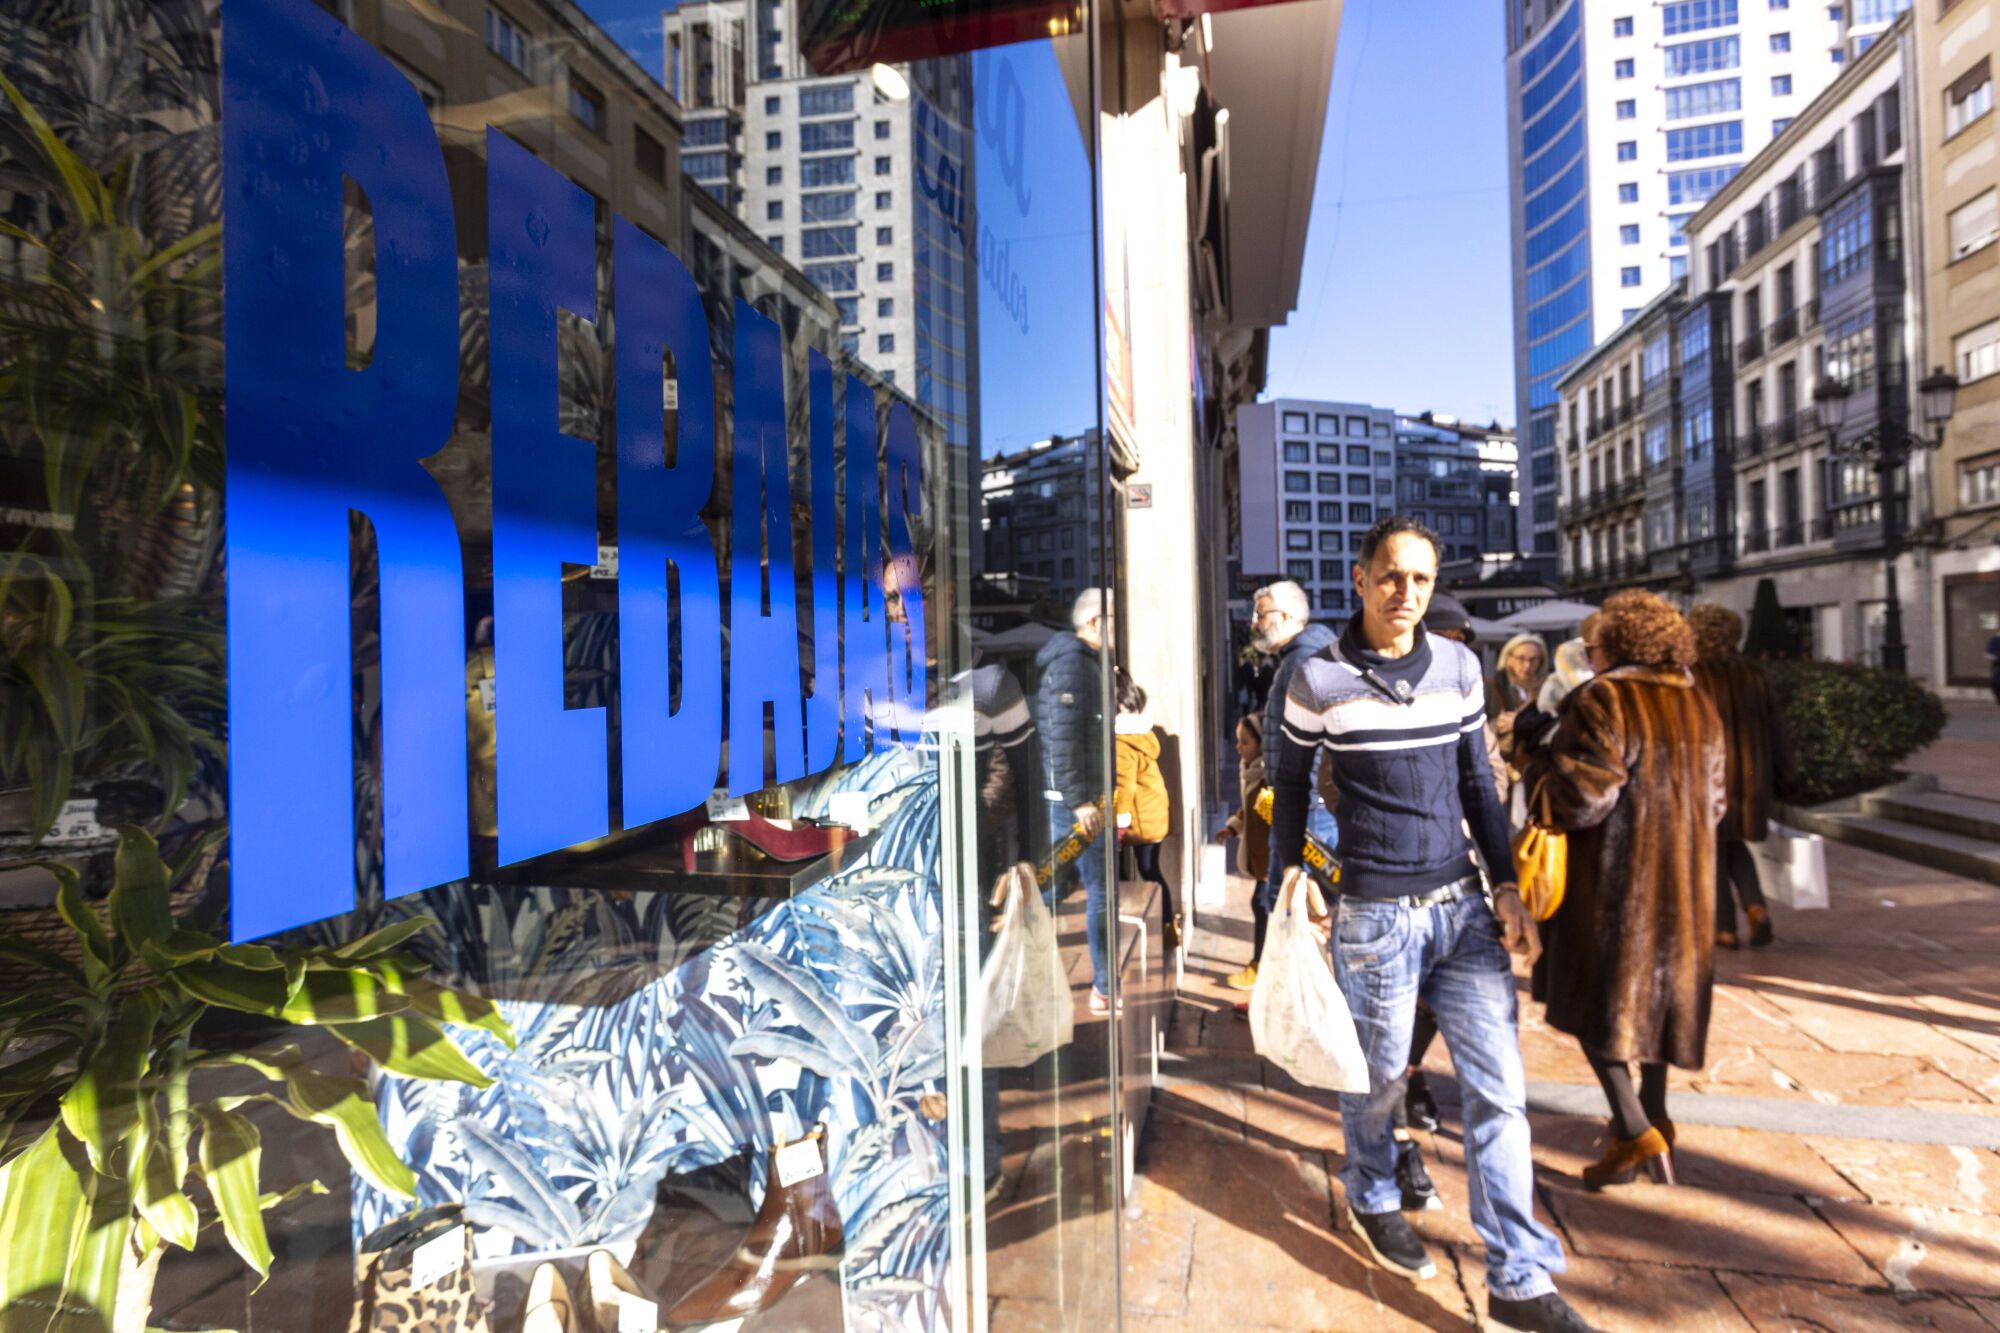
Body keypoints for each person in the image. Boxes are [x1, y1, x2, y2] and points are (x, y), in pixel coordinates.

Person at [1272, 516, 1591, 1333]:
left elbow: (1479, 787)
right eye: (1390, 576)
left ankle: (1518, 1278)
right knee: (1377, 1080)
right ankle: (1374, 1191)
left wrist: (1510, 889)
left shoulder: (1456, 664)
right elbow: (1293, 783)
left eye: (1419, 578)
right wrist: (1293, 878)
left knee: (1499, 1090)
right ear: (1360, 578)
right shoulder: (1321, 677)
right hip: (1373, 915)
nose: (1405, 592)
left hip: (1463, 909)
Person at [1512, 591, 1726, 1194]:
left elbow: (1583, 797)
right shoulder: (1698, 701)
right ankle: (1654, 1116)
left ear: (1618, 645)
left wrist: (1533, 763)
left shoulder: (1606, 697)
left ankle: (1633, 1129)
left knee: (1593, 1006)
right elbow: (1716, 802)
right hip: (1682, 890)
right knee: (1656, 1008)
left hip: (1612, 889)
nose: (1591, 653)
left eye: (1595, 644)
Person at [1237, 579, 1338, 992]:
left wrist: (1304, 797)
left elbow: (1320, 741)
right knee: (1289, 902)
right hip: (1300, 801)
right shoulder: (1298, 657)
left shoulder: (1305, 660)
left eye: (1261, 614)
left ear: (1288, 617)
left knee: (1294, 904)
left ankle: (1298, 1004)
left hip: (1306, 806)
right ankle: (1291, 1000)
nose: (1254, 623)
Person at [1688, 603, 1795, 950]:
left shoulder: (1689, 676)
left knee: (1711, 849)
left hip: (1706, 777)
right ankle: (1756, 907)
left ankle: (1724, 928)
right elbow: (1776, 729)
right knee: (1734, 845)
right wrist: (1783, 774)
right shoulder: (1754, 674)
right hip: (1750, 776)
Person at [1032, 588, 1116, 1015]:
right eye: (1115, 617)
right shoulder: (1072, 666)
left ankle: (1034, 984)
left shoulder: (1088, 664)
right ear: (1094, 622)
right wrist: (1082, 800)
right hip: (1076, 803)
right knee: (1092, 892)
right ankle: (1102, 987)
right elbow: (1061, 740)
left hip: (1078, 798)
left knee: (1052, 890)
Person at [1112, 670, 1177, 952]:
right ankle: (1168, 927)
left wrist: (1118, 825)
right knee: (1151, 870)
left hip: (1140, 817)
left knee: (1143, 872)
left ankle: (1149, 928)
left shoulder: (1121, 742)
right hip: (1154, 815)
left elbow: (1123, 786)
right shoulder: (1141, 734)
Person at [1215, 713, 1271, 969]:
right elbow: (1248, 810)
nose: (1238, 747)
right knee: (1261, 905)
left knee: (1261, 904)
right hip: (1260, 856)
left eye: (1245, 742)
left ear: (1261, 743)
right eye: (1238, 741)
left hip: (1270, 858)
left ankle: (1261, 965)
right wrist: (1232, 828)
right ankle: (1261, 963)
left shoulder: (1268, 777)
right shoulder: (1250, 770)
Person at [1487, 632, 1550, 747]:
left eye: (1533, 659)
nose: (1527, 665)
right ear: (1508, 658)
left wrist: (1521, 724)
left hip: (1538, 755)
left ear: (1541, 661)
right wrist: (1497, 723)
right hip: (1503, 758)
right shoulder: (1489, 686)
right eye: (1521, 658)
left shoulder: (1548, 688)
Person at [1987, 627, 2000, 705]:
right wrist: (1997, 656)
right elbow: (1988, 654)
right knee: (1996, 683)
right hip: (1997, 666)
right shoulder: (1994, 640)